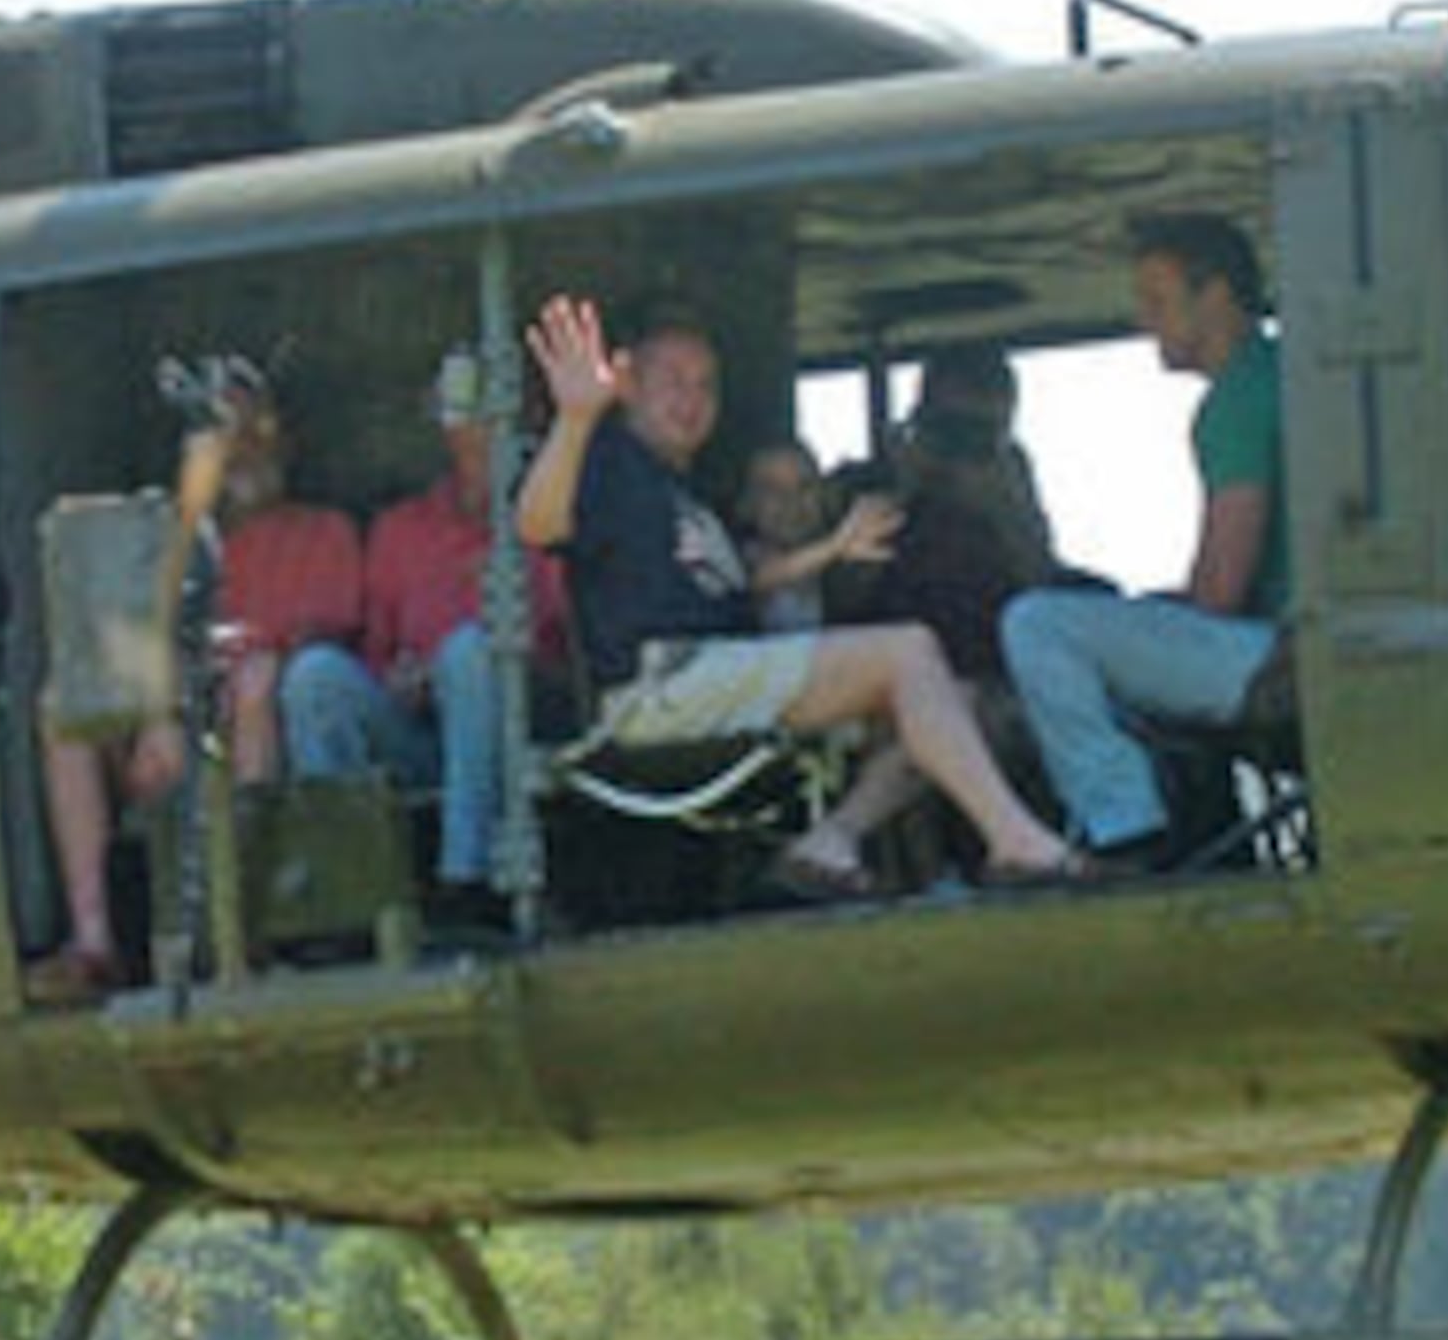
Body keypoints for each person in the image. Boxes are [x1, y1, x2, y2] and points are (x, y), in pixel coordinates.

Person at [516, 294, 1082, 895]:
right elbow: (537, 524)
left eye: (706, 385)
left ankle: (830, 841)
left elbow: (744, 582)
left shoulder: (684, 492)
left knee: (955, 696)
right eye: (673, 382)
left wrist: (831, 550)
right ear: (626, 385)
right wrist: (575, 418)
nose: (693, 400)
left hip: (719, 674)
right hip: (660, 683)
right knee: (908, 650)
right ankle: (1018, 844)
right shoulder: (608, 460)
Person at [26, 369, 365, 1006]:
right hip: (175, 733)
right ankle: (94, 939)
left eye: (258, 429)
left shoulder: (322, 532)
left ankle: (242, 926)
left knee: (257, 681)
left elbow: (323, 639)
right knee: (59, 711)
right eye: (227, 432)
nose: (246, 448)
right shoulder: (161, 544)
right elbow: (126, 646)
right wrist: (160, 715)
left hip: (261, 726)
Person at [1000, 211, 1289, 869]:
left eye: (1157, 301)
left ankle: (1124, 826)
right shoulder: (1280, 374)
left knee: (1040, 626)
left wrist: (1146, 619)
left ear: (1215, 296)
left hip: (1278, 654)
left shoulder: (1237, 401)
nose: (1144, 321)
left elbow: (1219, 593)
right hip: (1305, 638)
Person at [309, 346, 571, 912]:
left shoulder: (554, 524)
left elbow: (577, 662)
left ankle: (468, 881)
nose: (484, 434)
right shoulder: (399, 531)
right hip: (423, 738)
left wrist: (502, 659)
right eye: (468, 420)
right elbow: (375, 655)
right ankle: (342, 897)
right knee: (316, 677)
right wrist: (402, 680)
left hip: (523, 738)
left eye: (502, 419)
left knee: (471, 652)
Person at [867, 342, 1066, 679]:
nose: (964, 443)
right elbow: (848, 592)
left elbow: (1040, 576)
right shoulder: (882, 475)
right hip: (907, 636)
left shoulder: (1007, 470)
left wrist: (1001, 507)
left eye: (981, 430)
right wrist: (902, 490)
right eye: (951, 426)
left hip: (996, 636)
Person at [733, 436, 897, 632]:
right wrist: (834, 547)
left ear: (824, 495)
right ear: (746, 504)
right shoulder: (735, 557)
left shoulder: (846, 562)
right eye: (772, 489)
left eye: (805, 486)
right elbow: (757, 580)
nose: (791, 501)